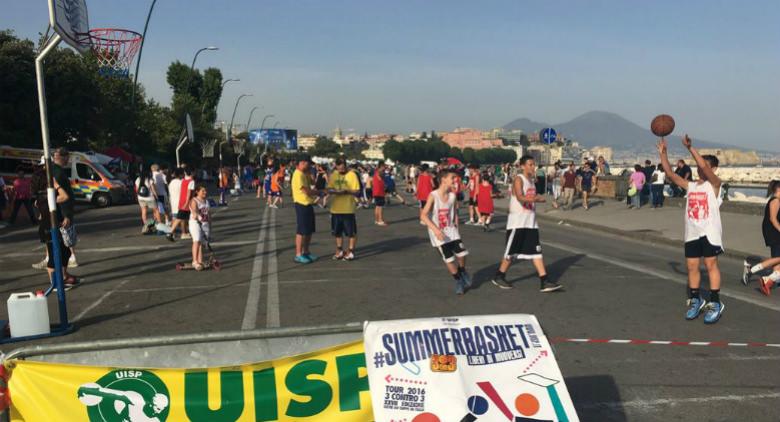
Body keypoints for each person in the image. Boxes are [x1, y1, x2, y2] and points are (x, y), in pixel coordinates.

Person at [658, 135, 725, 324]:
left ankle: (715, 302)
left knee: (711, 265)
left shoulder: (715, 185)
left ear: (713, 169)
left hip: (709, 233)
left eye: (704, 165)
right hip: (692, 232)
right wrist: (664, 153)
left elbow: (703, 166)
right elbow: (671, 174)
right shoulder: (692, 186)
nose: (700, 167)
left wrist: (690, 148)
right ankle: (696, 300)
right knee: (692, 267)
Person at [491, 156, 561, 292]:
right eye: (529, 164)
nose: (532, 167)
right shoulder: (519, 179)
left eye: (533, 164)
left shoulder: (532, 181)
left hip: (530, 222)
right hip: (518, 222)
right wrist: (535, 199)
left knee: (536, 252)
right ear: (522, 166)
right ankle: (499, 276)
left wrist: (547, 200)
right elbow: (520, 196)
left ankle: (544, 280)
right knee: (511, 252)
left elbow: (534, 198)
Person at [420, 168, 472, 295]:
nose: (455, 180)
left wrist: (457, 228)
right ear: (443, 179)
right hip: (438, 232)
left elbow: (454, 214)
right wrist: (436, 230)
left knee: (462, 253)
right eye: (452, 178)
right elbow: (423, 216)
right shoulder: (433, 195)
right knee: (449, 259)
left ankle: (462, 270)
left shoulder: (453, 196)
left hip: (451, 229)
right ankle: (458, 280)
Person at [33, 162, 80, 290]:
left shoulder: (41, 198)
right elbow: (65, 196)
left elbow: (41, 213)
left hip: (52, 226)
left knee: (65, 251)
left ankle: (63, 277)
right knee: (54, 256)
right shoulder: (45, 196)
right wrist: (57, 185)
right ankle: (54, 283)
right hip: (49, 229)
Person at [742, 180, 780, 295]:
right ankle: (752, 270)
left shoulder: (776, 200)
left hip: (772, 231)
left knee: (777, 258)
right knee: (778, 257)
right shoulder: (776, 201)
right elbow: (773, 219)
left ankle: (770, 280)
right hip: (773, 232)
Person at [328, 158, 360, 261]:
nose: (341, 168)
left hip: (348, 209)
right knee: (337, 232)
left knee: (351, 232)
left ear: (346, 165)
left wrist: (347, 191)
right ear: (336, 166)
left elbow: (357, 191)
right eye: (339, 166)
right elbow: (329, 188)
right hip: (335, 209)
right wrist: (334, 191)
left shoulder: (352, 175)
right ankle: (340, 250)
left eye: (343, 165)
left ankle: (351, 251)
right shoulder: (333, 175)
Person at [53, 148, 79, 268]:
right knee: (65, 239)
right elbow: (63, 196)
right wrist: (66, 215)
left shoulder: (56, 171)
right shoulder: (58, 173)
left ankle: (65, 264)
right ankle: (64, 270)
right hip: (61, 212)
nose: (68, 160)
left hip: (59, 211)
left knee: (63, 240)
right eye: (67, 157)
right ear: (61, 157)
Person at [292, 157, 320, 263]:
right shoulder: (297, 174)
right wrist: (319, 193)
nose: (310, 166)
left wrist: (310, 173)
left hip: (308, 203)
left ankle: (306, 252)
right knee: (301, 230)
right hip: (301, 204)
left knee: (309, 230)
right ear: (302, 163)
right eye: (309, 164)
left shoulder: (304, 174)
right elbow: (306, 191)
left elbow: (313, 182)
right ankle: (298, 254)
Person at [188, 185, 211, 271]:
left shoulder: (206, 201)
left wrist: (210, 226)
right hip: (195, 223)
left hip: (204, 224)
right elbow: (194, 211)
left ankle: (200, 261)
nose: (205, 192)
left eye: (205, 190)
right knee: (196, 240)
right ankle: (194, 261)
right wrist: (197, 216)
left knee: (202, 243)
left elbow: (209, 215)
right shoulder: (194, 200)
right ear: (197, 191)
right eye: (203, 191)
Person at [135, 168, 161, 234]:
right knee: (156, 210)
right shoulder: (149, 180)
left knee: (144, 211)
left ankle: (146, 225)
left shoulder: (138, 179)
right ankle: (159, 225)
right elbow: (153, 190)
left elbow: (137, 189)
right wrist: (157, 197)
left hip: (141, 198)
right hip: (150, 198)